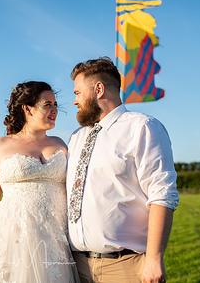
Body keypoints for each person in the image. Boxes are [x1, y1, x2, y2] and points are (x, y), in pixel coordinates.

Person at [66, 57, 179, 283]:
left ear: (98, 89)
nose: (74, 101)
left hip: (125, 267)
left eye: (77, 93)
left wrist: (154, 259)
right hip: (76, 266)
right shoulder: (76, 137)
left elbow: (162, 194)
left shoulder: (142, 128)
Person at [0, 81, 79, 282]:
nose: (54, 110)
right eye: (47, 104)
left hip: (56, 240)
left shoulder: (62, 145)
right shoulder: (0, 146)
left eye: (55, 104)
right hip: (11, 239)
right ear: (27, 109)